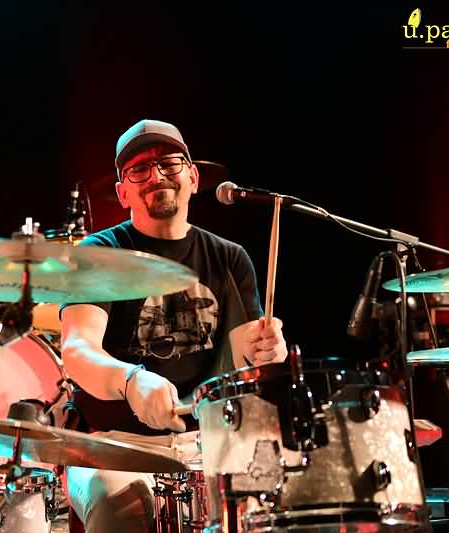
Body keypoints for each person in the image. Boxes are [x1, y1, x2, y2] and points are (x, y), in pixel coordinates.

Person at [60, 119, 289, 532]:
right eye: (139, 169)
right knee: (124, 512)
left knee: (271, 504)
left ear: (193, 177)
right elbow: (77, 350)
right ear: (122, 192)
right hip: (114, 443)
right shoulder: (100, 254)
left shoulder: (229, 257)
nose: (156, 175)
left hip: (208, 442)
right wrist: (131, 381)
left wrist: (269, 351)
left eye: (169, 163)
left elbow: (247, 360)